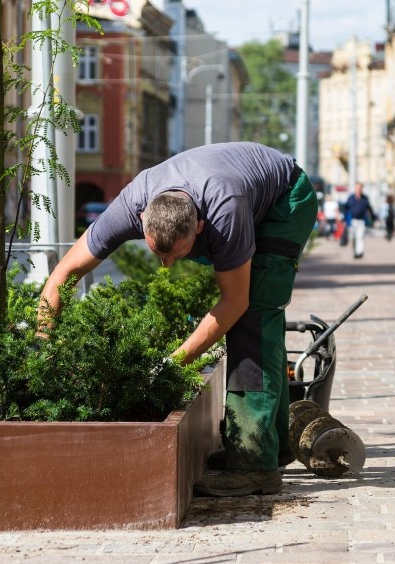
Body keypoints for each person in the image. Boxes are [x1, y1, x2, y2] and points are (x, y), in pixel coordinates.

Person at [36, 142, 318, 497]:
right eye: (157, 253)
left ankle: (253, 463)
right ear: (141, 222)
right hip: (236, 190)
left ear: (200, 227)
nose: (166, 267)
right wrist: (41, 345)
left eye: (178, 255)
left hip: (286, 199)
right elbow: (62, 275)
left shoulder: (223, 212)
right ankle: (271, 445)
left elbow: (234, 302)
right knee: (260, 319)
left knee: (254, 317)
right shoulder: (132, 202)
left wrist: (172, 364)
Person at [344, 184, 376, 259]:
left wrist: (373, 218)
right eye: (357, 188)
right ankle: (355, 252)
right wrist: (345, 220)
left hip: (361, 221)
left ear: (362, 189)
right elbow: (346, 209)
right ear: (355, 189)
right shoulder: (351, 198)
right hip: (352, 221)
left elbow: (370, 209)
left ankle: (359, 252)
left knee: (360, 237)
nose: (358, 190)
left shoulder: (365, 199)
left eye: (360, 188)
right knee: (353, 238)